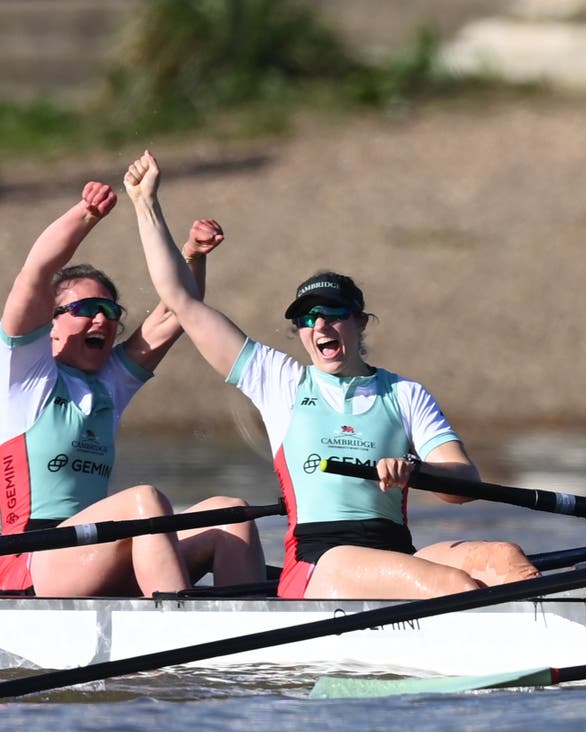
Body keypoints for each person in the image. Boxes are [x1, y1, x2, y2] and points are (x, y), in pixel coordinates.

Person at [125, 150, 540, 600]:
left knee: (505, 558)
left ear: (360, 322)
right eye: (307, 319)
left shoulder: (404, 394)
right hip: (319, 564)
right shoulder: (279, 381)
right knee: (451, 584)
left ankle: (555, 651)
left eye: (333, 314)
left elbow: (464, 483)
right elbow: (181, 302)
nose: (320, 326)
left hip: (397, 555)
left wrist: (417, 472)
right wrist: (145, 203)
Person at [0, 180, 266, 597]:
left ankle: (253, 642)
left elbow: (179, 310)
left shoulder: (108, 383)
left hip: (96, 552)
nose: (102, 321)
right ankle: (177, 628)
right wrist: (85, 215)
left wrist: (193, 257)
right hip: (28, 563)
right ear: (50, 322)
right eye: (86, 309)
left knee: (230, 514)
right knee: (143, 501)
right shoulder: (22, 375)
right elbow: (34, 274)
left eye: (110, 311)